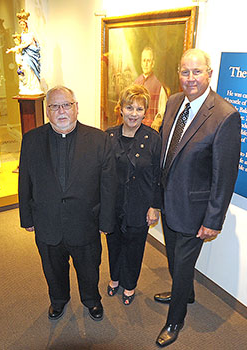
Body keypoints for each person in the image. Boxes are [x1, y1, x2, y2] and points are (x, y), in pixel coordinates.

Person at [153, 49, 241, 347]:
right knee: (175, 259)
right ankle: (185, 291)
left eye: (196, 72)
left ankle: (175, 320)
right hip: (168, 201)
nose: (190, 78)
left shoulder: (225, 116)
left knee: (180, 262)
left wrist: (213, 220)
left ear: (209, 73)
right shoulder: (175, 101)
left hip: (195, 210)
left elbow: (224, 175)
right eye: (184, 72)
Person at [18, 85, 116, 321]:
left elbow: (109, 186)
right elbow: (24, 182)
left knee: (89, 269)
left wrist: (106, 222)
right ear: (48, 111)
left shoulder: (99, 139)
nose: (61, 111)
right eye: (55, 106)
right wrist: (26, 218)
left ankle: (92, 300)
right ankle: (58, 300)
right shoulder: (31, 140)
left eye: (66, 105)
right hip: (47, 222)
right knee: (52, 269)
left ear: (76, 108)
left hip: (85, 223)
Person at [105, 84, 161, 305]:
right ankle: (115, 277)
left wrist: (154, 206)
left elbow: (158, 175)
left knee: (135, 247)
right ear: (121, 109)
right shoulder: (108, 136)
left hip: (140, 204)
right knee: (114, 244)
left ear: (145, 112)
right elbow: (102, 174)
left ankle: (130, 285)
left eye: (139, 109)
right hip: (113, 204)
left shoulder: (153, 138)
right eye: (130, 108)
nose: (134, 114)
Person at [6, 9, 42, 95]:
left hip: (31, 55)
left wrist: (14, 49)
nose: (22, 26)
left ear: (26, 24)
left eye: (23, 24)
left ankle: (33, 86)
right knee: (25, 68)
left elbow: (26, 44)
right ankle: (28, 85)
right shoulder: (22, 34)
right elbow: (22, 44)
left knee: (30, 69)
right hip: (25, 54)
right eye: (20, 24)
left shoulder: (31, 34)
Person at [133, 47, 168, 131]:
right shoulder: (135, 84)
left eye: (148, 61)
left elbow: (163, 109)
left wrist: (158, 119)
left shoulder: (159, 86)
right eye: (144, 61)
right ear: (141, 63)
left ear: (153, 63)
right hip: (135, 127)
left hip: (151, 129)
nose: (146, 64)